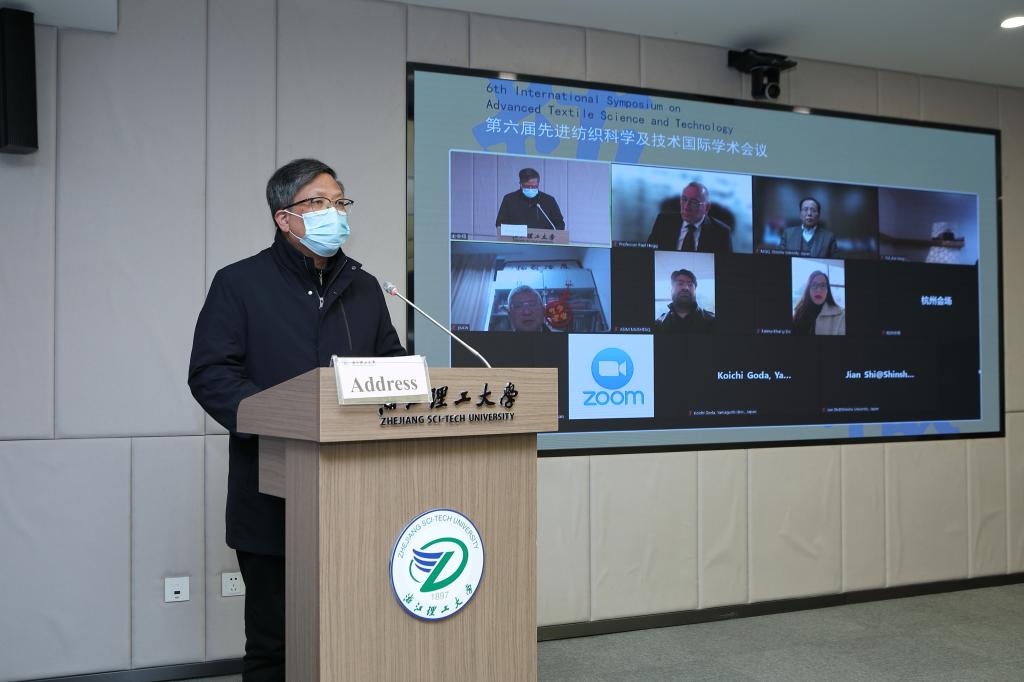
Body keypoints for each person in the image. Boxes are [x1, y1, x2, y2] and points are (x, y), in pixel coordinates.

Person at [188, 159, 405, 681]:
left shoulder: (364, 286)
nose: (335, 212)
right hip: (272, 491)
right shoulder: (240, 283)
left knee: (357, 630)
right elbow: (211, 375)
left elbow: (394, 368)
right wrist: (282, 417)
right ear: (284, 218)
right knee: (276, 644)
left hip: (358, 492)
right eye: (318, 202)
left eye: (340, 202)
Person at [646, 182, 733, 253]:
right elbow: (648, 253)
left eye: (694, 202)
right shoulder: (663, 222)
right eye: (684, 199)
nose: (686, 207)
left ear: (706, 207)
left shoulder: (721, 233)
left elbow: (724, 264)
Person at [495, 167, 565, 231]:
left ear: (538, 184)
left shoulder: (549, 200)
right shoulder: (509, 199)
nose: (530, 189)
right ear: (520, 184)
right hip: (516, 240)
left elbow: (559, 224)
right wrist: (520, 231)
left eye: (534, 186)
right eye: (527, 186)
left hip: (542, 240)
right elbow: (500, 224)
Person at [792, 270, 846, 335]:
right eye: (814, 285)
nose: (819, 290)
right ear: (808, 289)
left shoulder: (841, 317)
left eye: (823, 285)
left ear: (827, 290)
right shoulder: (799, 313)